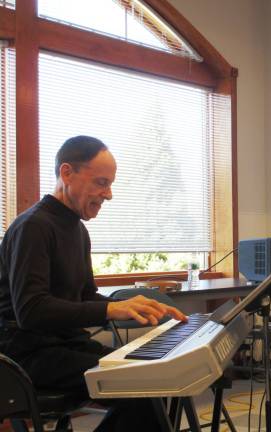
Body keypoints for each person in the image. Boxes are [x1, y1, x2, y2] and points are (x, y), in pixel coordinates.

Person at [0, 136, 187, 431]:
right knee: (138, 389)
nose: (108, 194)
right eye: (101, 182)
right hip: (28, 355)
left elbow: (84, 295)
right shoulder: (33, 227)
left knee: (150, 377)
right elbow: (31, 310)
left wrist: (126, 305)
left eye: (110, 184)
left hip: (63, 345)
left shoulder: (77, 230)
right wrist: (112, 310)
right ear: (66, 173)